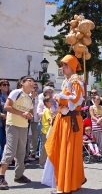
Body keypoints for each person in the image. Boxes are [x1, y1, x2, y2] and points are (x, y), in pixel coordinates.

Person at [45, 55, 86, 193]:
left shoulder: (76, 81)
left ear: (73, 66)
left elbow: (76, 102)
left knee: (68, 151)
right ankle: (66, 182)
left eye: (66, 65)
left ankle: (67, 184)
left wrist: (60, 98)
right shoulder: (66, 81)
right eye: (62, 65)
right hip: (63, 119)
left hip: (71, 120)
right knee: (62, 149)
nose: (63, 68)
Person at [0, 76, 34, 190]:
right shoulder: (16, 92)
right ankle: (1, 177)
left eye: (33, 82)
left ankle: (19, 176)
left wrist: (29, 114)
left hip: (23, 126)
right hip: (12, 125)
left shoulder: (29, 98)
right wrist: (22, 113)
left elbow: (30, 111)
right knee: (10, 151)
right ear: (22, 83)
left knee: (21, 152)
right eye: (29, 81)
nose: (32, 83)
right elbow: (7, 107)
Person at [39, 96, 53, 168]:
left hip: (46, 131)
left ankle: (44, 162)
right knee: (45, 147)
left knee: (46, 147)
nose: (52, 102)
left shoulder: (48, 110)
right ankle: (42, 162)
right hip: (46, 131)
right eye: (50, 101)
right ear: (46, 103)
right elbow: (50, 119)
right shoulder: (47, 110)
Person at [29, 83, 39, 160]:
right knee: (26, 137)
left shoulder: (39, 97)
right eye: (34, 87)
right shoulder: (28, 96)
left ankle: (32, 153)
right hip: (28, 119)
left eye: (36, 88)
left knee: (35, 137)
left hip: (36, 120)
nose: (35, 89)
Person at [0, 80, 9, 161]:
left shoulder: (10, 96)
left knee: (5, 142)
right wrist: (2, 115)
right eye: (4, 85)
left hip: (8, 122)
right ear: (0, 86)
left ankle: (4, 160)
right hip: (1, 122)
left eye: (7, 85)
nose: (6, 86)